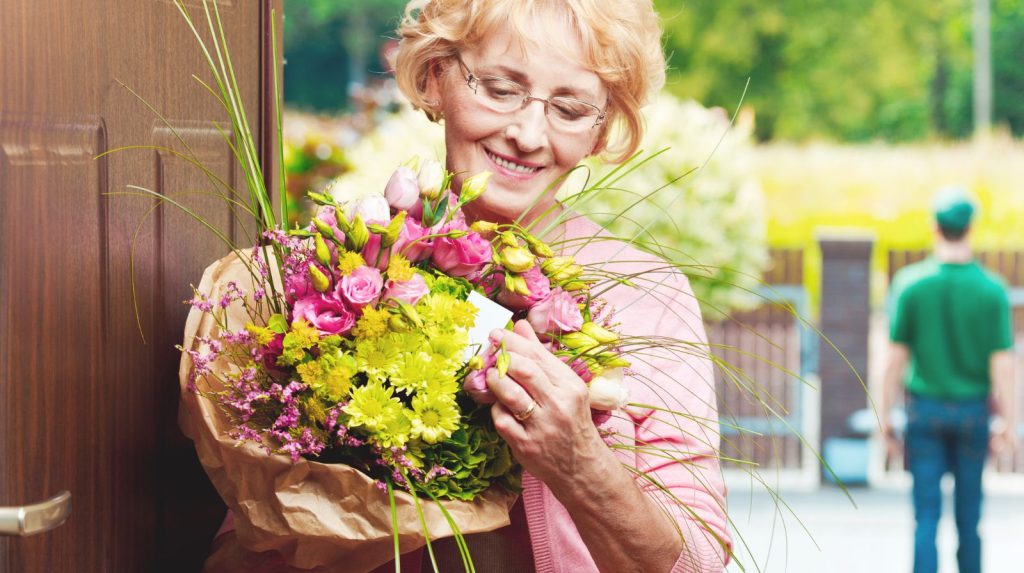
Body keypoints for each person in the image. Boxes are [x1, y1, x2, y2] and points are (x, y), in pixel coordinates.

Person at [205, 1, 731, 571]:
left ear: (602, 129)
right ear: (435, 78)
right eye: (501, 90)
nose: (528, 134)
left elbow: (696, 562)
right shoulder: (335, 269)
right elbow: (253, 533)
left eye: (572, 108)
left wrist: (580, 466)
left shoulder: (647, 295)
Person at [879, 187, 1016, 573]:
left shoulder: (911, 284)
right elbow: (1002, 366)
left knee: (926, 517)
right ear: (970, 228)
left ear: (934, 228)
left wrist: (884, 415)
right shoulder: (991, 291)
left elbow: (894, 361)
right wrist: (1009, 420)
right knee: (970, 520)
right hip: (973, 412)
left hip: (924, 412)